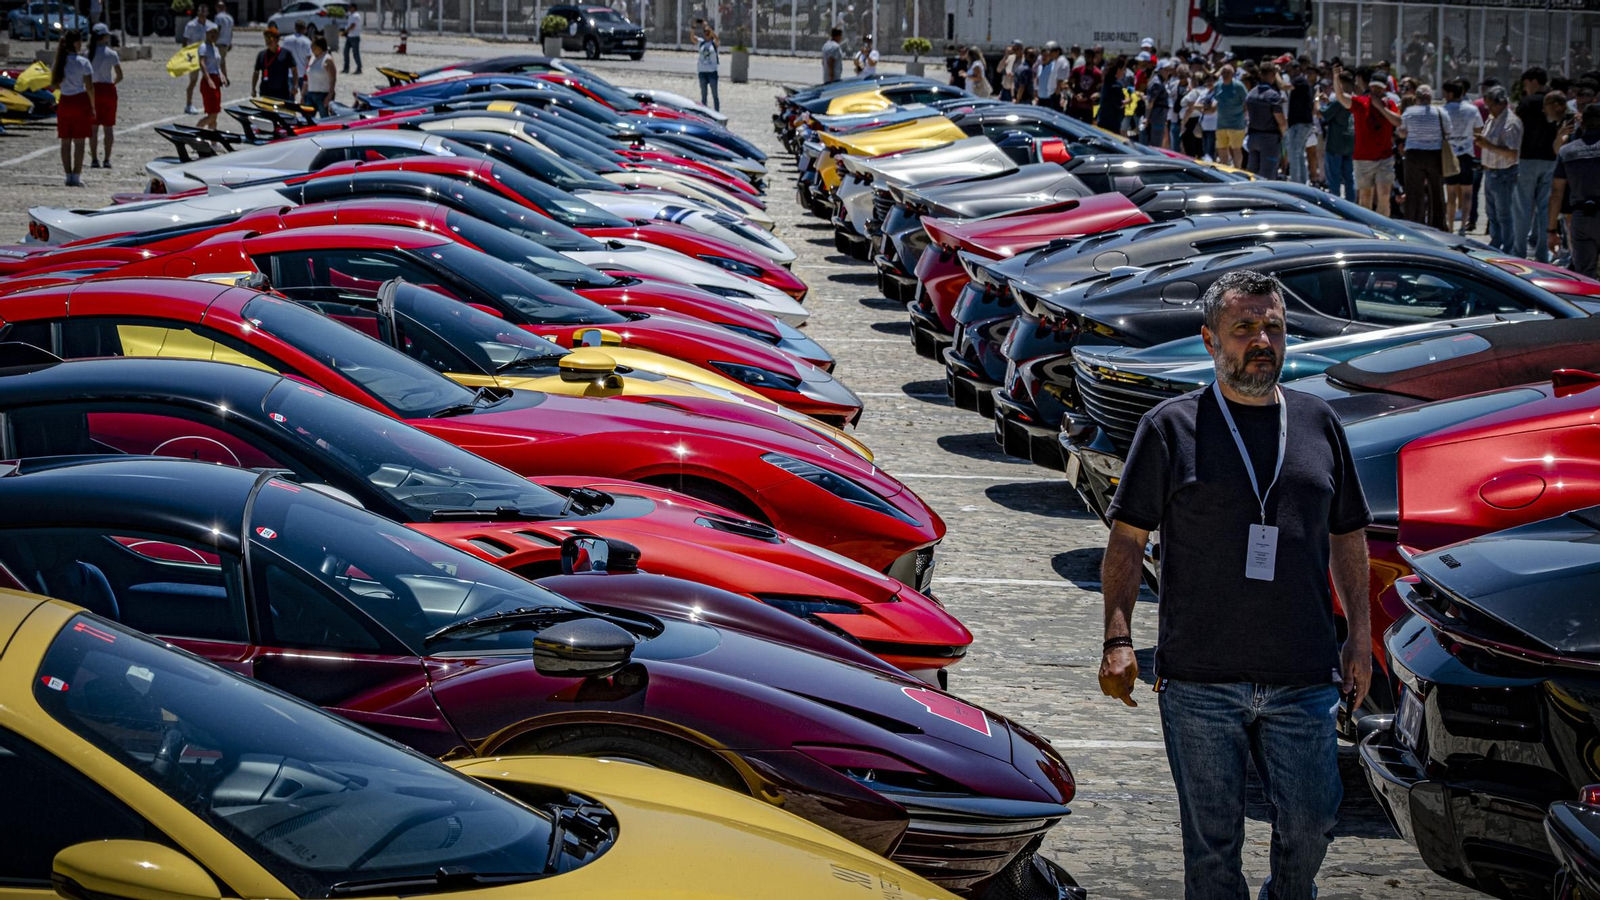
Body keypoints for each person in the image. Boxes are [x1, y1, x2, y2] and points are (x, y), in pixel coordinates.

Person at [1099, 268, 1371, 900]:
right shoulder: (1172, 427)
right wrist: (1118, 639)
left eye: (1273, 327)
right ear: (1209, 340)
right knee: (1212, 849)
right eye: (1244, 328)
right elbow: (1127, 541)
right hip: (1200, 679)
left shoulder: (1318, 422)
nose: (1261, 341)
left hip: (1303, 674)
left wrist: (1360, 637)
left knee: (1312, 822)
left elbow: (1348, 535)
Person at [1550, 103, 1600, 278]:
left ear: (1582, 124)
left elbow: (1556, 193)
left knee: (1585, 276)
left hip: (1581, 218)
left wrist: (1551, 230)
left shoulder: (1567, 151)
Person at [1340, 76, 1402, 216]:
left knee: (1384, 196)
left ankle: (1383, 229)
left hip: (1384, 157)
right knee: (1365, 196)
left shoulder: (1389, 104)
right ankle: (1366, 229)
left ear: (1384, 89)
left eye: (1379, 88)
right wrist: (1337, 78)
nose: (1375, 91)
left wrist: (1380, 107)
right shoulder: (1361, 102)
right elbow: (1341, 98)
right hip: (1363, 158)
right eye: (1373, 87)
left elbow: (1398, 122)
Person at [1514, 67, 1557, 260]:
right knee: (1544, 209)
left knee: (1523, 209)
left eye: (1526, 83)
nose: (1525, 88)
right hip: (1550, 160)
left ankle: (1519, 253)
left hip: (1526, 160)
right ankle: (1542, 254)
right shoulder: (1555, 101)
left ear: (1533, 81)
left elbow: (1516, 130)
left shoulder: (1526, 103)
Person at [1477, 84, 1522, 251]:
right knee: (1492, 214)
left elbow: (1512, 153)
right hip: (1490, 172)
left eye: (1491, 106)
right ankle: (1496, 243)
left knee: (1505, 215)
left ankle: (1508, 248)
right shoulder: (1492, 118)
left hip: (1504, 174)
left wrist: (1487, 146)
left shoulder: (1510, 123)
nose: (1489, 109)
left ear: (1502, 103)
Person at [1397, 85, 1448, 228]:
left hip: (1414, 154)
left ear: (1417, 98)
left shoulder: (1410, 112)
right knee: (1436, 191)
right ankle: (1438, 224)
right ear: (1430, 98)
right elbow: (1448, 131)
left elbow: (1401, 132)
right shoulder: (1439, 112)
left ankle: (1413, 223)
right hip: (1434, 154)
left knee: (1413, 191)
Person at [49, 29, 95, 187]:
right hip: (80, 101)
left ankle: (68, 175)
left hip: (65, 101)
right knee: (80, 142)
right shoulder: (83, 62)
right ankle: (76, 175)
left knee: (65, 141)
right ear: (76, 43)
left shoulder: (59, 61)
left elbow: (54, 84)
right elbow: (89, 87)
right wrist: (93, 106)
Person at [1442, 79, 1483, 235]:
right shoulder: (1472, 110)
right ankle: (1463, 226)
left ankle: (1451, 225)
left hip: (1450, 154)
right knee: (1467, 193)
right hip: (1466, 153)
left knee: (1451, 193)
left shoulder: (1444, 110)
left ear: (1451, 93)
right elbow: (1479, 129)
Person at [87, 22, 120, 169]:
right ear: (105, 37)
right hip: (108, 90)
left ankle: (94, 158)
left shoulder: (87, 54)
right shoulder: (112, 54)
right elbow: (120, 75)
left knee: (93, 128)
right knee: (108, 127)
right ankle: (107, 159)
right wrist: (112, 83)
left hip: (93, 90)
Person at [1244, 63, 1286, 179]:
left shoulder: (1251, 94)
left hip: (1253, 137)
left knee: (1252, 173)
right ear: (1273, 75)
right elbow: (1281, 121)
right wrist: (1284, 135)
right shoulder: (1273, 96)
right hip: (1269, 140)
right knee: (1268, 175)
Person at [1320, 68, 1356, 200]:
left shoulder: (1338, 102)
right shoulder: (1356, 101)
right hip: (1350, 145)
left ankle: (1334, 208)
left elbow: (1323, 113)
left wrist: (1317, 101)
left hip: (1335, 146)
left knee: (1334, 180)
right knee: (1349, 179)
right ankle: (1351, 206)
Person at [1208, 64, 1247, 168]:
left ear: (1233, 74)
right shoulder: (1217, 86)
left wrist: (1242, 114)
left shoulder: (1238, 86)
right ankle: (1224, 169)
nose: (1225, 75)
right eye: (1223, 72)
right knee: (1221, 148)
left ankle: (1238, 169)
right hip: (1221, 123)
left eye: (1228, 73)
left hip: (1236, 124)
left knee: (1236, 148)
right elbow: (1216, 100)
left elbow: (1246, 102)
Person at [1284, 57, 1314, 183]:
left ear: (1297, 69)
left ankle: (1296, 183)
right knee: (1299, 154)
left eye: (1290, 70)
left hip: (1300, 123)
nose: (1288, 74)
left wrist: (1276, 74)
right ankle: (1302, 182)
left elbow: (1284, 86)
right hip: (1300, 123)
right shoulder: (1299, 82)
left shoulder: (1300, 81)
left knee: (1294, 153)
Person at [252, 27, 297, 103]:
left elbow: (294, 70)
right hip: (265, 93)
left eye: (270, 38)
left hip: (282, 93)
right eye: (266, 38)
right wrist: (253, 88)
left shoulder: (286, 54)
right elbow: (256, 72)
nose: (268, 40)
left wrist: (295, 86)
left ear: (277, 39)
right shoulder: (262, 55)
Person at [196, 22, 226, 129]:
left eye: (215, 32)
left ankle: (213, 141)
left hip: (215, 79)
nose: (213, 35)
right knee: (213, 114)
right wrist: (208, 79)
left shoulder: (215, 48)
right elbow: (202, 63)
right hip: (208, 80)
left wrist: (222, 75)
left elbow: (216, 65)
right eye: (211, 32)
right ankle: (197, 130)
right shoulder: (203, 47)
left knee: (214, 114)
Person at [181, 5, 209, 115]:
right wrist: (186, 56)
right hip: (194, 58)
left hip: (206, 58)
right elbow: (185, 41)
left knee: (208, 80)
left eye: (204, 11)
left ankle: (208, 104)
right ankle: (188, 104)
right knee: (193, 81)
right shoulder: (191, 25)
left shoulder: (209, 26)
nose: (202, 13)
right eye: (200, 11)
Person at [303, 35, 336, 115]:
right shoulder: (312, 58)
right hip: (310, 94)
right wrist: (303, 92)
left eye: (313, 45)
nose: (311, 47)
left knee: (324, 119)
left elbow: (333, 79)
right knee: (308, 119)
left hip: (323, 95)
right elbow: (307, 76)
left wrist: (329, 95)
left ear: (319, 46)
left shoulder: (327, 59)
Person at [282, 20, 313, 102]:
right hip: (302, 73)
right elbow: (309, 58)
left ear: (295, 28)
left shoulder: (286, 40)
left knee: (289, 98)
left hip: (289, 73)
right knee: (305, 97)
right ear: (305, 29)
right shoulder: (307, 42)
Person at [1095, 56, 1127, 135]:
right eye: (1123, 69)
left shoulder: (1106, 83)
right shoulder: (1116, 85)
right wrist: (1129, 101)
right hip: (1112, 123)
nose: (1124, 72)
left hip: (1103, 120)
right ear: (1118, 70)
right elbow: (1118, 103)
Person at [695, 22, 719, 111]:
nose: (706, 33)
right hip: (702, 72)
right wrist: (694, 27)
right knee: (704, 96)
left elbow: (717, 39)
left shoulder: (713, 43)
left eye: (708, 32)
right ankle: (704, 113)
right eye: (705, 32)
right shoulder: (701, 42)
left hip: (712, 72)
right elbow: (692, 38)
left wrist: (710, 29)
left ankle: (717, 113)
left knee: (715, 95)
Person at [1037, 41, 1063, 112]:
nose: (1044, 57)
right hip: (1041, 99)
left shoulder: (1055, 66)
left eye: (1046, 55)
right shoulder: (1039, 67)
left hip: (1050, 99)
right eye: (1043, 56)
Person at [342, 2, 362, 75]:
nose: (349, 8)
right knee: (345, 52)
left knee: (355, 53)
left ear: (354, 8)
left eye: (350, 7)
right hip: (350, 36)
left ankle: (359, 68)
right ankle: (346, 68)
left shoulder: (356, 16)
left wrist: (345, 32)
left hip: (355, 36)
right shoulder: (351, 15)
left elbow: (352, 25)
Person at [213, 1, 233, 65]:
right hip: (226, 43)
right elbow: (231, 31)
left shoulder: (218, 17)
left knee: (218, 63)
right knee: (222, 62)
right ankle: (224, 75)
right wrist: (230, 42)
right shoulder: (230, 17)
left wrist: (213, 41)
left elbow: (218, 30)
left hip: (219, 43)